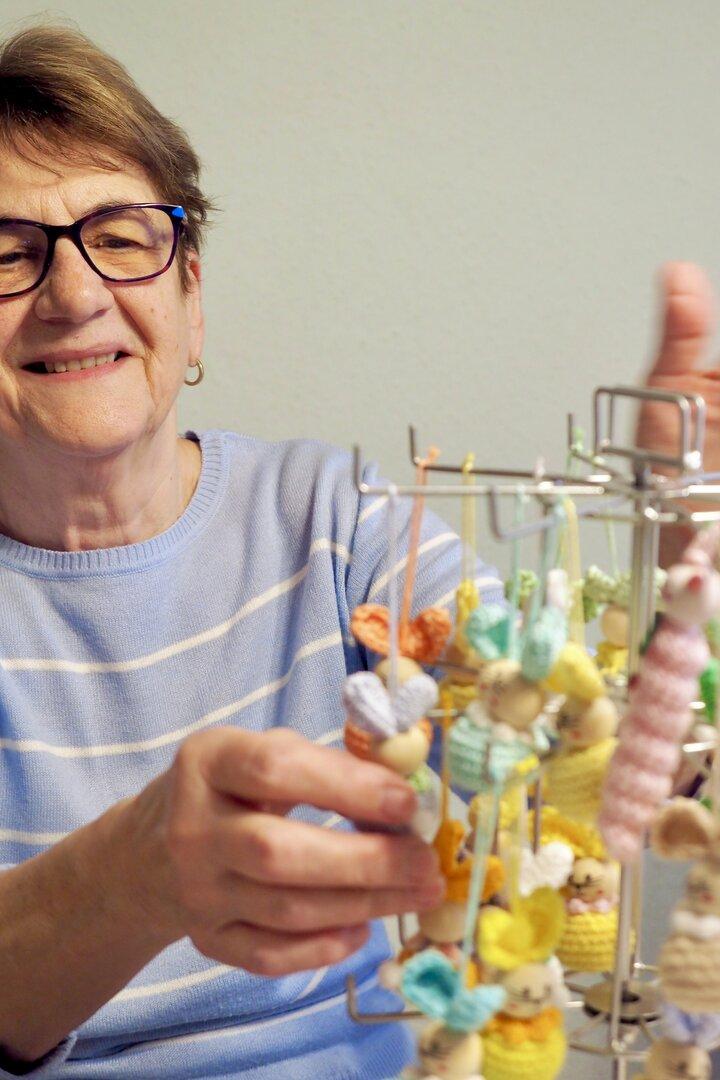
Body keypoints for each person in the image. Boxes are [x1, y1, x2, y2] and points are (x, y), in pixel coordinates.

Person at [0, 22, 713, 1080]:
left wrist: (679, 533)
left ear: (193, 301)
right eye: (6, 252)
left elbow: (584, 760)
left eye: (121, 234)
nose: (72, 293)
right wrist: (132, 877)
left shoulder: (337, 521)